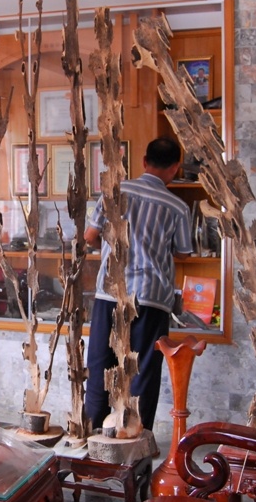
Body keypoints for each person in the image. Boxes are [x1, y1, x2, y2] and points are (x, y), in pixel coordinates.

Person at [83, 137, 194, 433]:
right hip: (152, 297)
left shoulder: (115, 192)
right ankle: (135, 440)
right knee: (142, 373)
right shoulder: (178, 207)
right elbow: (184, 252)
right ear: (175, 168)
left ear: (144, 161)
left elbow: (90, 236)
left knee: (100, 366)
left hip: (110, 293)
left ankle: (93, 437)